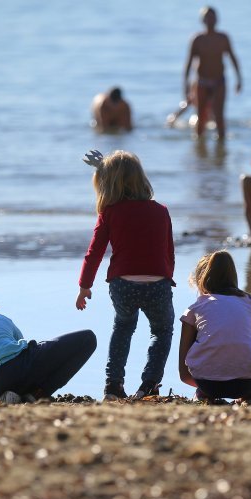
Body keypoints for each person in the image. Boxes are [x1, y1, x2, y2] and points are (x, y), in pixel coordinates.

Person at [76, 149, 175, 401]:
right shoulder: (161, 211)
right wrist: (167, 277)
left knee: (122, 328)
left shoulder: (109, 212)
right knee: (161, 332)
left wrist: (84, 286)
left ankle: (112, 386)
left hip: (123, 285)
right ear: (141, 178)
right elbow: (168, 252)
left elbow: (94, 252)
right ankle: (150, 384)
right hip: (158, 284)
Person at [178, 250, 251, 405]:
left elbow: (184, 375)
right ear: (233, 276)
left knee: (204, 329)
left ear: (201, 280)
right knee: (249, 329)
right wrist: (248, 372)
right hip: (246, 384)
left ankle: (203, 395)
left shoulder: (194, 309)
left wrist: (206, 382)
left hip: (207, 383)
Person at [183, 6, 242, 139]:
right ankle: (200, 150)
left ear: (217, 19)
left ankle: (221, 151)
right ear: (202, 20)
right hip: (202, 82)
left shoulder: (223, 38)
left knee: (219, 117)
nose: (210, 20)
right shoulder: (197, 39)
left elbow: (233, 58)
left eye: (212, 17)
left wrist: (239, 79)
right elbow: (188, 63)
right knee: (201, 117)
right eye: (207, 17)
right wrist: (186, 85)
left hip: (218, 82)